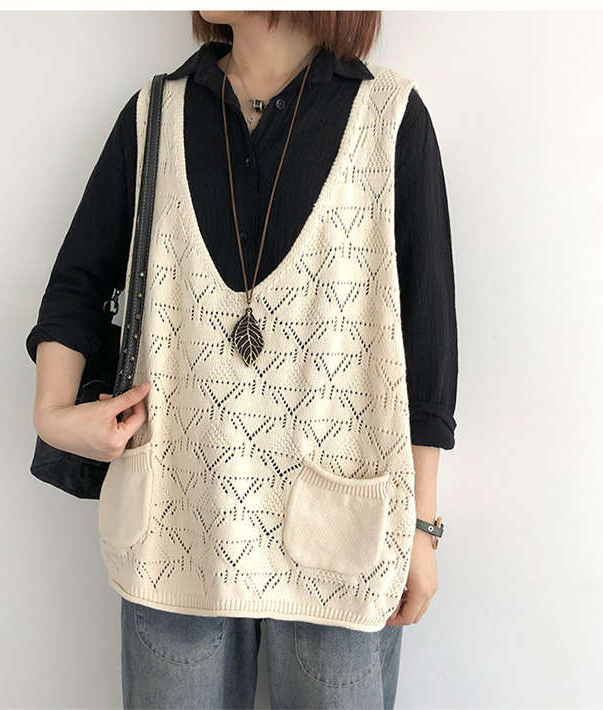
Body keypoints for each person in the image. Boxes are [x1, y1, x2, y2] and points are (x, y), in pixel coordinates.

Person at [26, 10, 457, 710]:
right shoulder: (156, 114)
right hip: (176, 527)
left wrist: (424, 529)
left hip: (343, 538)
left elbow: (429, 343)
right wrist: (53, 413)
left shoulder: (390, 117)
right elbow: (77, 283)